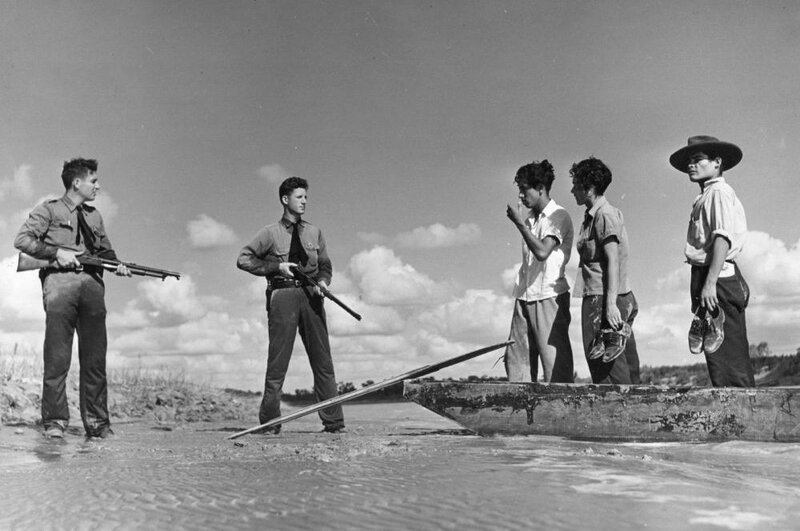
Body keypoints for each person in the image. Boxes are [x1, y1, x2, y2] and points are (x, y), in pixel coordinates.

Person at [14, 158, 130, 439]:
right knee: (57, 358)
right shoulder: (49, 210)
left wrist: (119, 266)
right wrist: (56, 253)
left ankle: (98, 424)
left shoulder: (94, 216)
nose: (98, 186)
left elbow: (105, 252)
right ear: (76, 182)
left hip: (92, 287)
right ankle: (55, 422)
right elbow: (23, 240)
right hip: (60, 286)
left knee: (95, 360)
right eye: (94, 181)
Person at [237, 176, 345, 433]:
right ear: (285, 200)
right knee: (277, 365)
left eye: (306, 197)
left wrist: (323, 282)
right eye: (299, 197)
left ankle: (334, 424)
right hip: (283, 296)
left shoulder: (315, 232)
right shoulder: (269, 233)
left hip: (313, 296)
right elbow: (243, 259)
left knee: (323, 363)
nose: (304, 201)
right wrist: (276, 267)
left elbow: (326, 265)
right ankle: (270, 424)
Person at [669, 135, 754, 387]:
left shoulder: (718, 192)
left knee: (731, 359)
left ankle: (743, 420)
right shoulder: (704, 196)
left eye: (697, 160)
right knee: (717, 356)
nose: (691, 165)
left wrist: (710, 283)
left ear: (717, 162)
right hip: (706, 275)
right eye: (689, 161)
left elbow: (722, 238)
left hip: (718, 278)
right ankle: (730, 418)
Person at [570, 157, 640, 384]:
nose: (572, 191)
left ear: (589, 188)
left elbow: (613, 260)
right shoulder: (594, 215)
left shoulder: (604, 215)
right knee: (620, 369)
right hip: (605, 297)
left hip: (602, 299)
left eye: (576, 185)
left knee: (608, 372)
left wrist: (609, 306)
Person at [504, 160, 575, 383]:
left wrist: (519, 225)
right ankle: (520, 413)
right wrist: (523, 224)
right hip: (525, 295)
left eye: (524, 190)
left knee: (555, 367)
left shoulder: (558, 215)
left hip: (548, 297)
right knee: (516, 361)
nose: (521, 197)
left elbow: (543, 252)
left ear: (541, 189)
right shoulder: (530, 220)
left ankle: (564, 414)